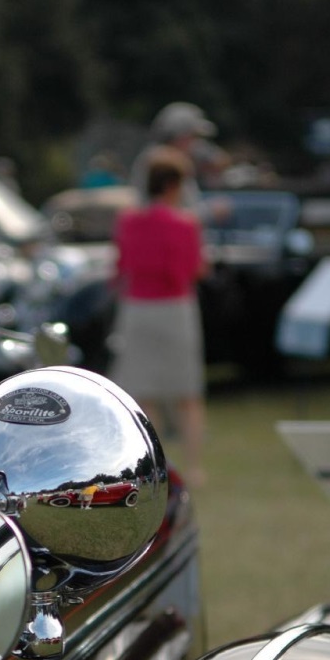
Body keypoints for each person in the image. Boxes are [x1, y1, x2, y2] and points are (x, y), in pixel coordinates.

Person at [111, 146, 209, 487]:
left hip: (137, 309)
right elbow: (194, 269)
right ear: (172, 185)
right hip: (174, 309)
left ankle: (153, 465)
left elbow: (120, 267)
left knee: (142, 394)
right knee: (186, 393)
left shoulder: (128, 220)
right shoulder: (186, 224)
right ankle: (194, 466)